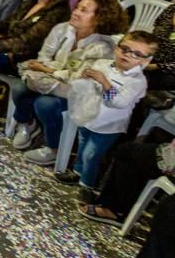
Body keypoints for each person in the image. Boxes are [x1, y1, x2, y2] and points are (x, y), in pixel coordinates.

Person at [6, 0, 128, 161]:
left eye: (84, 10)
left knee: (45, 103)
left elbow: (79, 79)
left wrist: (47, 70)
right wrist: (49, 70)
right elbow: (43, 57)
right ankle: (27, 124)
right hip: (55, 82)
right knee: (19, 87)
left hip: (80, 93)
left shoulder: (103, 48)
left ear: (100, 18)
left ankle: (54, 148)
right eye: (77, 7)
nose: (76, 12)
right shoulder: (63, 28)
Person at [53, 31, 157, 190]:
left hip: (109, 126)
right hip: (89, 116)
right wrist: (85, 78)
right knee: (82, 147)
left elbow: (120, 102)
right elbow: (87, 87)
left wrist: (104, 82)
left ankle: (87, 185)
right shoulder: (102, 64)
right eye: (125, 49)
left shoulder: (138, 82)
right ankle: (77, 172)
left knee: (92, 155)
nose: (128, 55)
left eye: (137, 54)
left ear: (146, 61)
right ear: (116, 48)